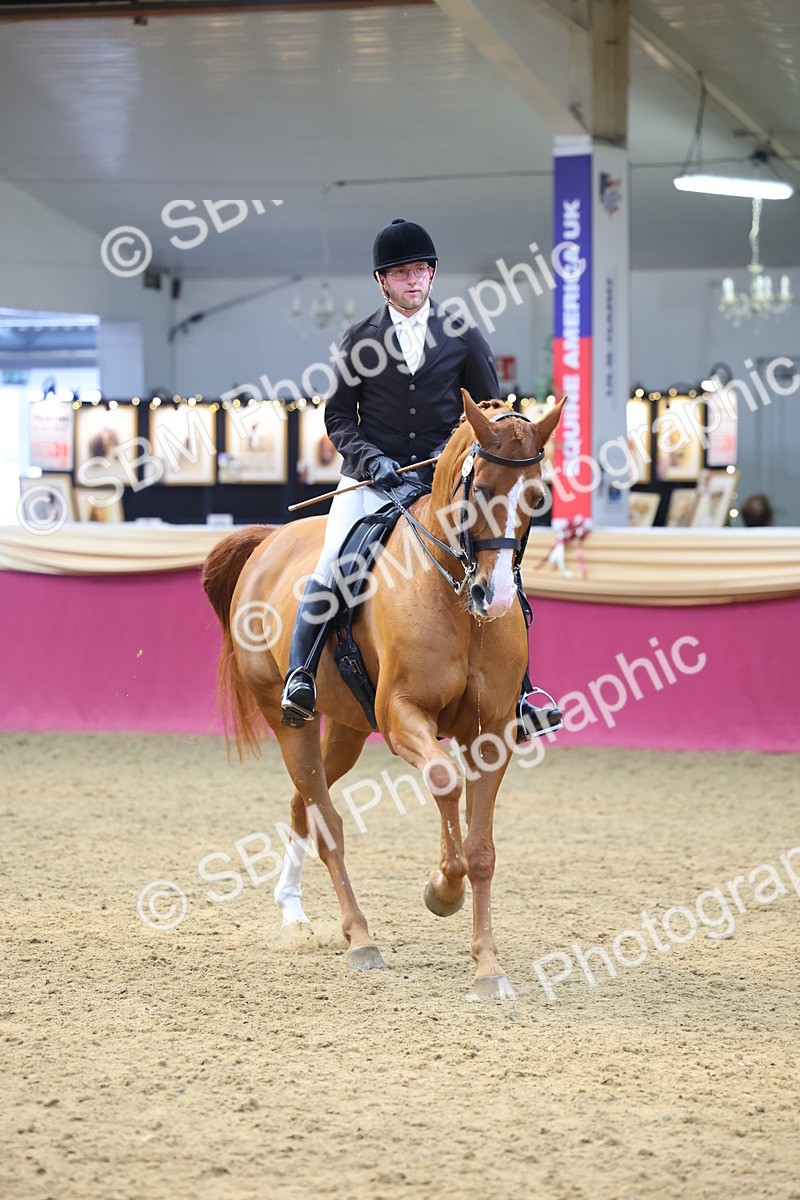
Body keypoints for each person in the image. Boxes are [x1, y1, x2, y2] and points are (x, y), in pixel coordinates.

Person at [280, 218, 561, 741]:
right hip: (373, 482)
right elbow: (339, 418)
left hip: (446, 482)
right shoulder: (358, 340)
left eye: (422, 271)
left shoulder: (464, 336)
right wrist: (370, 460)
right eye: (403, 273)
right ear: (382, 281)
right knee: (332, 563)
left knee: (500, 566)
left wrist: (451, 451)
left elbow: (493, 413)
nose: (414, 281)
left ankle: (521, 694)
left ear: (432, 275)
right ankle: (300, 677)